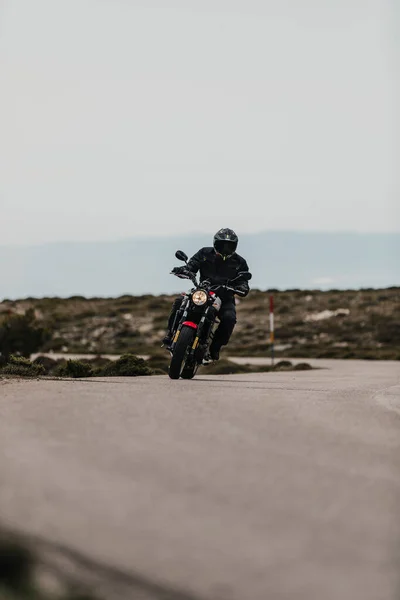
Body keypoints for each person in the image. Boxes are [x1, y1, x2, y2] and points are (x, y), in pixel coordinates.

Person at [163, 228, 251, 361]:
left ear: (235, 246)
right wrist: (185, 269)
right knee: (179, 301)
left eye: (229, 246)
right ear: (216, 244)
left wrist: (242, 287)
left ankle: (214, 348)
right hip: (202, 291)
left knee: (229, 318)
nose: (225, 248)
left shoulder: (240, 262)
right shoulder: (204, 252)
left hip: (224, 297)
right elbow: (192, 264)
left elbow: (243, 279)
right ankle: (170, 334)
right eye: (222, 245)